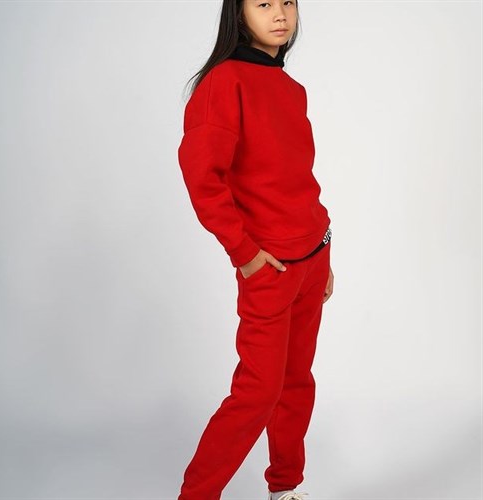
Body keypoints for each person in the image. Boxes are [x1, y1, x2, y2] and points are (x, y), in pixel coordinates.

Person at [176, 1, 334, 498]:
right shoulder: (224, 84)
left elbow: (297, 177)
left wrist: (324, 246)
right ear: (238, 13)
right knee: (258, 392)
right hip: (270, 267)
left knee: (296, 383)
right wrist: (243, 252)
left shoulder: (291, 88)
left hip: (313, 257)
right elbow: (203, 179)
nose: (280, 13)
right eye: (263, 3)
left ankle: (285, 487)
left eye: (287, 1)